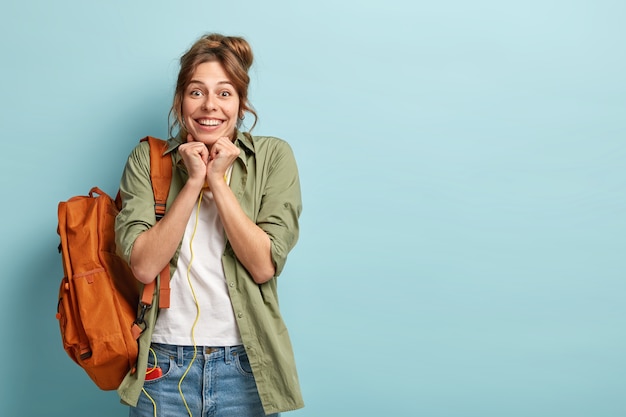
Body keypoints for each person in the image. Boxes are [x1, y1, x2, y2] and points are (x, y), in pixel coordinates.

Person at [114, 33, 304, 417]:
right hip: (161, 365)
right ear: (180, 101)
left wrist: (218, 180)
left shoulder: (273, 157)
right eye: (196, 92)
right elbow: (144, 265)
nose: (210, 106)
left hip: (245, 366)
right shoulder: (148, 159)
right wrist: (194, 181)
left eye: (224, 93)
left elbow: (263, 265)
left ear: (241, 103)